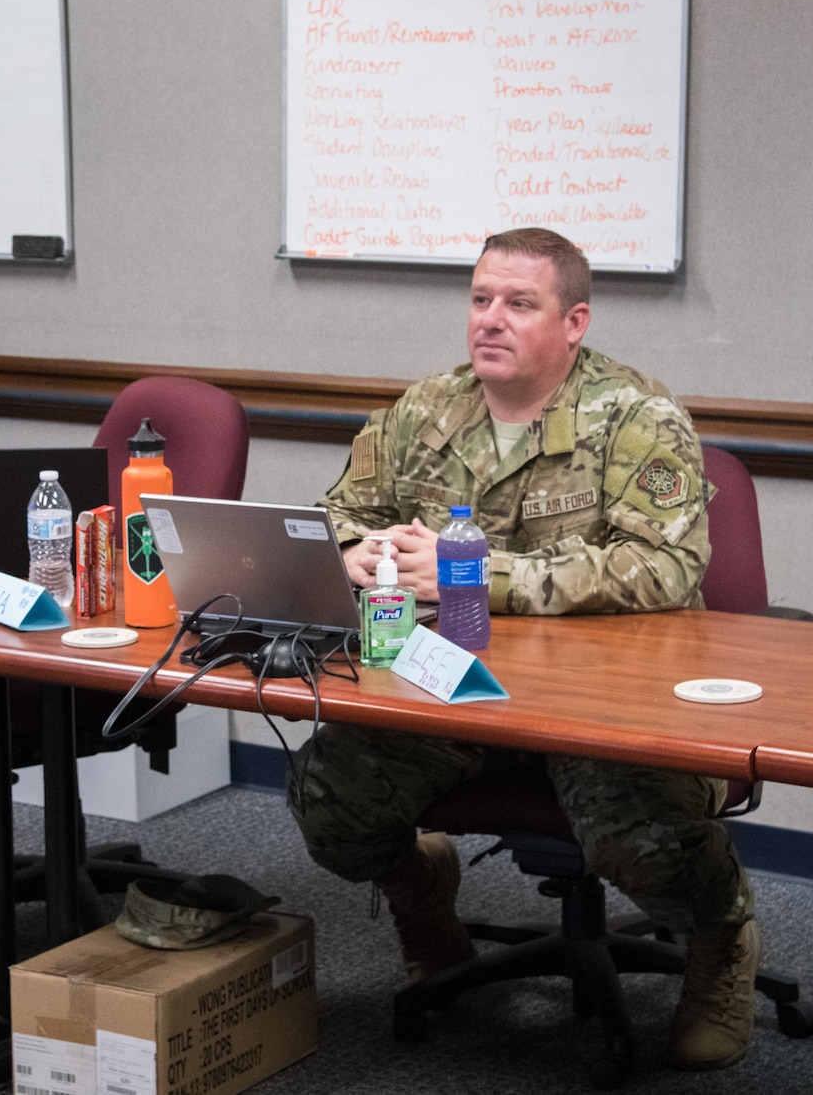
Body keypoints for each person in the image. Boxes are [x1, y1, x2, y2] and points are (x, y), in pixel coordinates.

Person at [286, 227, 761, 1071]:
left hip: (602, 695)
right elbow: (340, 510)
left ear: (574, 321)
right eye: (479, 300)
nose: (490, 320)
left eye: (519, 303)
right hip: (455, 683)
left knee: (638, 839)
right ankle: (421, 894)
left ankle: (722, 935)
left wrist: (479, 570)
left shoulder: (638, 418)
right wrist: (352, 552)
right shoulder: (425, 410)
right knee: (328, 798)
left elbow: (666, 567)